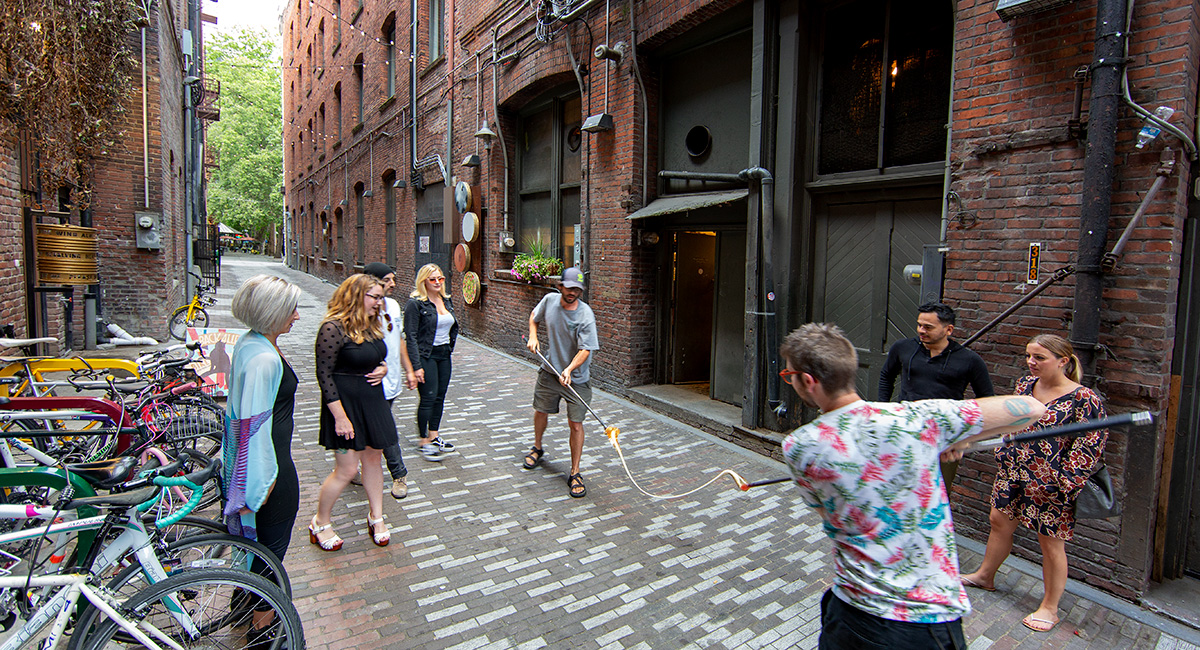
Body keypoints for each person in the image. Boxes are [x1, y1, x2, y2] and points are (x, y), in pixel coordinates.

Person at [778, 323, 1045, 649]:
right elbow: (1032, 409)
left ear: (808, 381)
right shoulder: (920, 420)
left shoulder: (800, 446)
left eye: (788, 375)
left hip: (855, 613)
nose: (790, 381)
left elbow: (830, 513)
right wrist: (958, 435)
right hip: (930, 621)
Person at [959, 334, 1108, 634]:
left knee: (1050, 542)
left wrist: (1065, 482)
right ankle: (986, 575)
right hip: (1013, 471)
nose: (1031, 362)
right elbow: (1013, 421)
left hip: (1051, 482)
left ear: (1063, 361)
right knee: (998, 521)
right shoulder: (1026, 385)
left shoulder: (1083, 399)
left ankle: (1050, 608)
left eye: (1039, 357)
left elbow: (1090, 444)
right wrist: (1002, 450)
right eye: (1029, 356)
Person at [222, 274, 302, 643]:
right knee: (270, 553)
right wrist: (258, 485)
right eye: (291, 309)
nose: (298, 316)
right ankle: (263, 627)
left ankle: (240, 607)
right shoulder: (264, 361)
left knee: (255, 550)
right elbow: (252, 428)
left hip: (266, 463)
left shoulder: (251, 344)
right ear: (272, 313)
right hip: (270, 471)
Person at [310, 273, 398, 550]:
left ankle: (377, 517)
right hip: (345, 406)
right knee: (346, 470)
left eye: (381, 297)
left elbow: (377, 355)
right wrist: (340, 417)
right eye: (375, 296)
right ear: (356, 295)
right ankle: (320, 522)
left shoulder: (372, 325)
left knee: (374, 460)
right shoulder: (332, 328)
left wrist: (383, 367)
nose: (379, 302)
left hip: (373, 401)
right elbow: (323, 376)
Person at [878, 302, 995, 486]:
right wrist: (883, 410)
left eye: (928, 327)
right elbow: (886, 376)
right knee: (896, 485)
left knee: (936, 490)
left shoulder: (970, 360)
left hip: (944, 436)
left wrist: (967, 436)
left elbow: (986, 400)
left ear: (948, 329)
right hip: (905, 429)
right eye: (919, 325)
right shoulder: (903, 347)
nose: (921, 330)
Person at [523, 267, 600, 498]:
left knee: (576, 424)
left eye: (577, 289)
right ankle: (537, 447)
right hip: (549, 371)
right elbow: (533, 318)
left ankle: (575, 472)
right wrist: (534, 336)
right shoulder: (549, 301)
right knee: (540, 410)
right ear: (560, 286)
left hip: (576, 378)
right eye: (569, 288)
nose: (572, 293)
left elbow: (586, 349)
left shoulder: (585, 315)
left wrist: (569, 369)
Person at [360, 262, 413, 499]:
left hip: (390, 379)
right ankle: (392, 473)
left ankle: (393, 474)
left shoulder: (392, 305)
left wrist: (409, 370)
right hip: (367, 381)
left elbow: (399, 341)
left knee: (381, 428)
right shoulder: (361, 309)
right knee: (378, 427)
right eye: (388, 280)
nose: (393, 284)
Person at [404, 264, 459, 462]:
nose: (437, 282)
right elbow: (410, 336)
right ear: (423, 281)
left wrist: (449, 348)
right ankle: (423, 441)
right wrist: (416, 365)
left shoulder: (446, 300)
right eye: (432, 279)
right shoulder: (416, 304)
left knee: (440, 396)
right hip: (426, 354)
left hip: (444, 354)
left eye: (440, 278)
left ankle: (434, 436)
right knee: (428, 396)